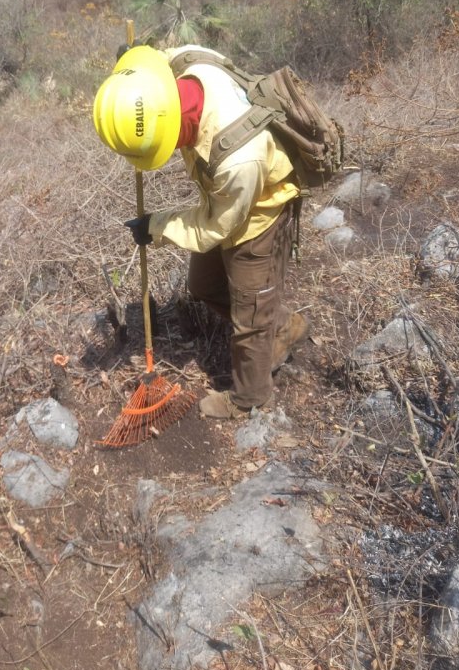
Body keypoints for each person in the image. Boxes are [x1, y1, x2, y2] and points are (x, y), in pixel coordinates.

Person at [93, 43, 309, 419]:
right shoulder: (177, 65)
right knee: (204, 286)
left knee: (249, 314)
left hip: (259, 210)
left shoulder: (239, 160)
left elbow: (215, 228)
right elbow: (156, 61)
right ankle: (283, 325)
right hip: (224, 201)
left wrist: (157, 226)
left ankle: (250, 398)